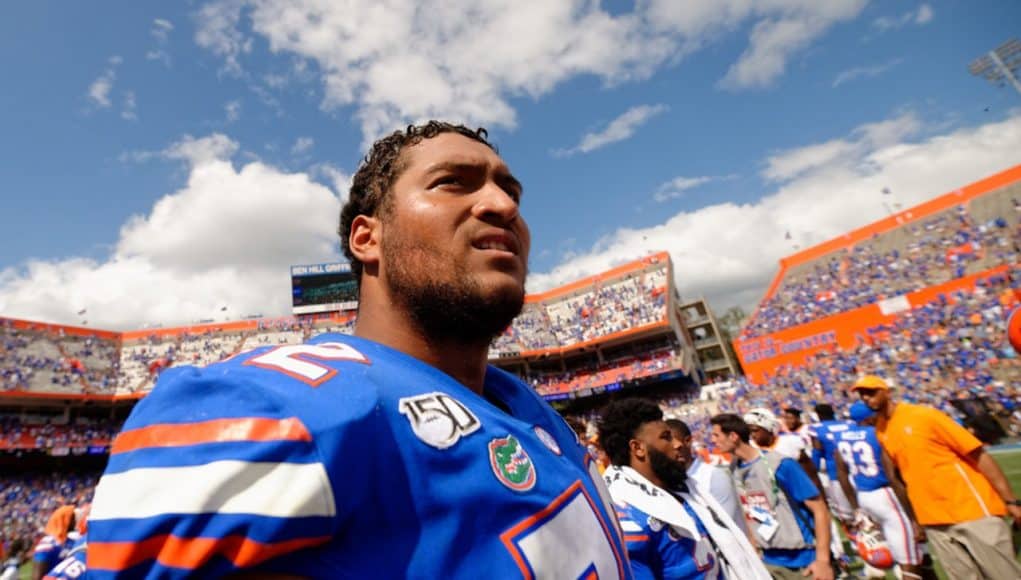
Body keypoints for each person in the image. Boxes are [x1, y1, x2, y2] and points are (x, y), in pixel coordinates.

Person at [87, 122, 632, 578]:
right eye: (453, 183)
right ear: (367, 238)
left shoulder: (532, 411)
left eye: (509, 191)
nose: (500, 205)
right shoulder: (279, 405)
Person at [854, 374, 1021, 579]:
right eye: (862, 394)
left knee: (1004, 575)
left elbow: (978, 454)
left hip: (970, 510)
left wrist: (1011, 501)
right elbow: (900, 477)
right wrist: (915, 520)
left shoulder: (924, 416)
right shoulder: (881, 429)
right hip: (934, 520)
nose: (866, 398)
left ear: (886, 392)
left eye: (870, 392)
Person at [601, 400, 769, 579]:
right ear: (638, 448)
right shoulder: (629, 520)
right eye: (666, 437)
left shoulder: (682, 490)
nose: (678, 444)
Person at [710, 414, 834, 580]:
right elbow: (749, 512)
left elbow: (820, 509)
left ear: (733, 436)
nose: (712, 440)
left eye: (716, 435)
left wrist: (823, 561)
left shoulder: (781, 464)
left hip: (803, 562)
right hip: (769, 562)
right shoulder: (734, 469)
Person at [832, 401, 927, 579]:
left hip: (863, 496)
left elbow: (842, 475)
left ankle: (875, 570)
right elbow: (892, 476)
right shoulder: (876, 434)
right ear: (869, 417)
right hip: (886, 495)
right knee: (910, 559)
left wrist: (856, 508)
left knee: (895, 547)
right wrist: (915, 519)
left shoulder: (841, 438)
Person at [666, 418, 746, 534]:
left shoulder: (713, 476)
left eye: (672, 445)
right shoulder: (667, 482)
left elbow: (727, 528)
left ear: (687, 441)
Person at [32, 506, 77, 580]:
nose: (75, 521)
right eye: (72, 518)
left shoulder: (72, 542)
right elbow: (37, 576)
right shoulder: (47, 544)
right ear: (65, 520)